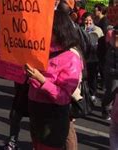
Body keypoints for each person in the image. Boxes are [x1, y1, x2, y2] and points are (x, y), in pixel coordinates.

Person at [26, 10, 82, 150]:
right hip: (35, 109)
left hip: (53, 115)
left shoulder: (71, 58)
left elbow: (63, 96)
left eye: (47, 28)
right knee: (37, 144)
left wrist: (41, 80)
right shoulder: (39, 52)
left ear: (59, 30)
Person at [82, 12, 103, 102]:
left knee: (93, 76)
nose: (88, 22)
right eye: (86, 20)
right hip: (83, 58)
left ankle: (92, 93)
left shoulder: (98, 30)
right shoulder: (81, 29)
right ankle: (84, 94)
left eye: (90, 20)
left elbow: (101, 42)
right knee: (83, 77)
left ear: (93, 20)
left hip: (94, 58)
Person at [103, 26, 118, 120]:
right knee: (111, 92)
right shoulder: (112, 49)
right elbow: (109, 65)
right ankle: (105, 109)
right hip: (113, 74)